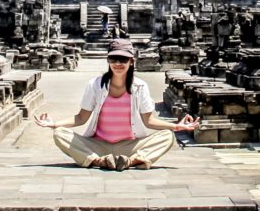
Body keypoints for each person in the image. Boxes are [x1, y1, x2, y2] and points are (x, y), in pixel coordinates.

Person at [34, 38, 200, 170]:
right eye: (114, 59)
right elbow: (81, 118)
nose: (118, 63)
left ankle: (129, 161)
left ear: (131, 61)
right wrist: (54, 124)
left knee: (167, 136)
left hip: (130, 145)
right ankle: (99, 161)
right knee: (59, 133)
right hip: (98, 144)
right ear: (108, 60)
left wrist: (177, 126)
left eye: (123, 59)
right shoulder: (95, 85)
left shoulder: (140, 86)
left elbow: (148, 121)